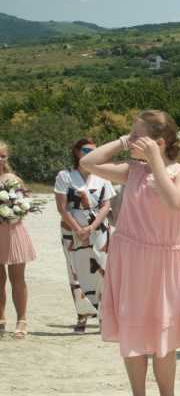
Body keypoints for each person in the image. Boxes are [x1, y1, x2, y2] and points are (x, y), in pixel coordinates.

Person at [80, 110, 180, 396]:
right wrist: (123, 141)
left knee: (165, 339)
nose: (131, 139)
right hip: (130, 259)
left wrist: (155, 160)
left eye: (137, 135)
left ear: (159, 142)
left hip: (164, 263)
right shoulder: (133, 170)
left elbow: (175, 201)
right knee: (133, 334)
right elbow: (87, 163)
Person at [54, 137, 116, 333]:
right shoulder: (65, 176)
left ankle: (104, 316)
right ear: (77, 152)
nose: (91, 154)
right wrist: (78, 229)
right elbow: (62, 207)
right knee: (76, 270)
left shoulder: (102, 175)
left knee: (102, 270)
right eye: (87, 151)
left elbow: (106, 205)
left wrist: (91, 227)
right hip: (71, 230)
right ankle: (82, 314)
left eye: (94, 151)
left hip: (99, 229)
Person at [0, 140, 37, 340]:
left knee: (17, 279)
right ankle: (0, 318)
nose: (0, 159)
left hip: (13, 232)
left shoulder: (14, 179)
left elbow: (27, 201)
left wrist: (18, 209)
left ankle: (21, 319)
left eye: (2, 155)